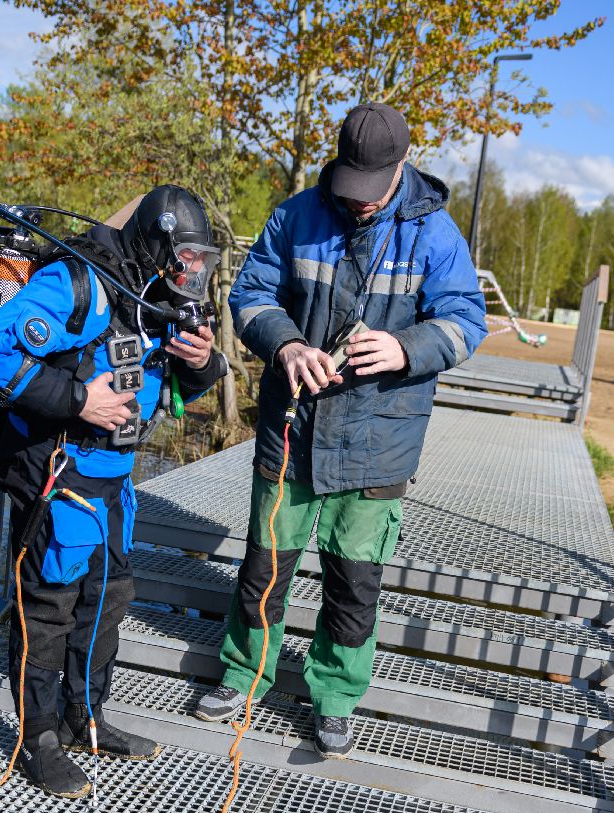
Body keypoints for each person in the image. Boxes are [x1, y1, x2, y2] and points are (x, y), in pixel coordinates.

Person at [193, 102, 488, 758]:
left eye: (371, 190)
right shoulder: (296, 215)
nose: (356, 203)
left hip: (380, 437)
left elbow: (467, 320)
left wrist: (407, 348)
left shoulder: (436, 235)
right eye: (348, 187)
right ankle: (244, 676)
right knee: (265, 563)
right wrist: (287, 344)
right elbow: (251, 297)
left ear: (402, 166)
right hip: (292, 426)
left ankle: (333, 696)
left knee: (355, 579)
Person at [0, 186, 228, 797]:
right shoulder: (78, 285)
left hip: (113, 480)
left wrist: (200, 361)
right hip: (54, 472)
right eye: (184, 259)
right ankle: (39, 741)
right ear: (157, 246)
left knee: (107, 599)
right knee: (48, 607)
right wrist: (81, 400)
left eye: (201, 263)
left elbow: (175, 387)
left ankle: (87, 720)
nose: (192, 274)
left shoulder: (155, 298)